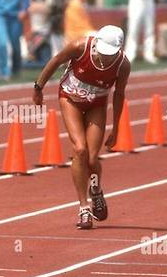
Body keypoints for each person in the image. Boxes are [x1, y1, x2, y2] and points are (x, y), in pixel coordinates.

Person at [32, 25, 131, 230]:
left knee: (93, 159)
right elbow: (56, 60)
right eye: (102, 51)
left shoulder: (122, 65)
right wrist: (38, 88)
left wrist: (117, 128)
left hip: (97, 105)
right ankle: (83, 207)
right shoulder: (79, 47)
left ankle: (96, 189)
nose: (104, 57)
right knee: (80, 149)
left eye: (109, 54)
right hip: (70, 99)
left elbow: (119, 94)